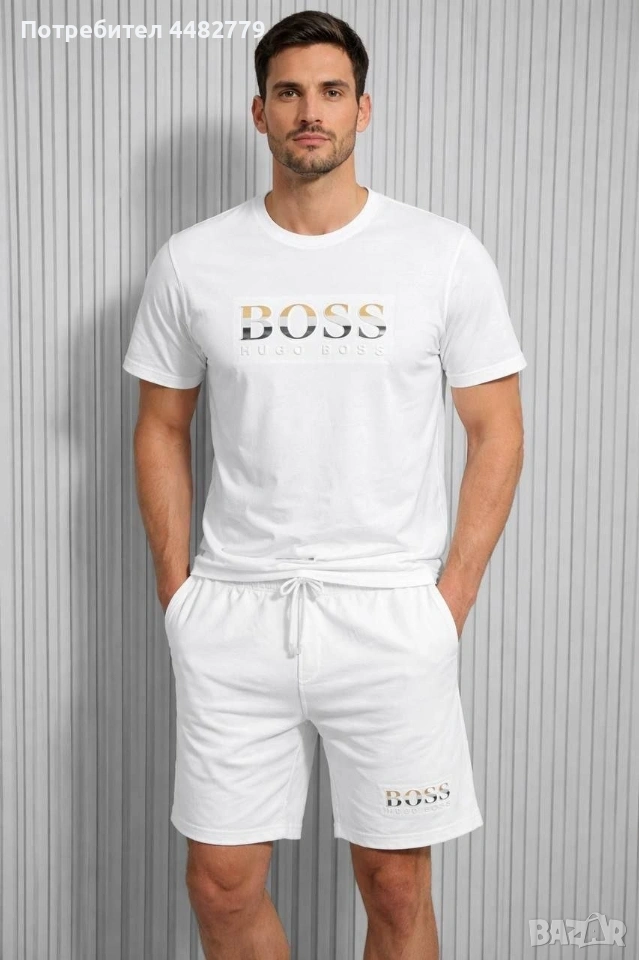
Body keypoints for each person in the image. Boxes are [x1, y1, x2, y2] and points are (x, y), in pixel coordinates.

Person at [122, 9, 526, 959]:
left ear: (362, 110)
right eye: (290, 92)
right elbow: (161, 425)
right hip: (236, 612)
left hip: (389, 614)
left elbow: (496, 430)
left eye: (331, 92)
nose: (311, 111)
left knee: (395, 886)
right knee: (220, 885)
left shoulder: (441, 254)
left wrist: (448, 601)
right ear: (259, 111)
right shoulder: (192, 259)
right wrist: (179, 591)